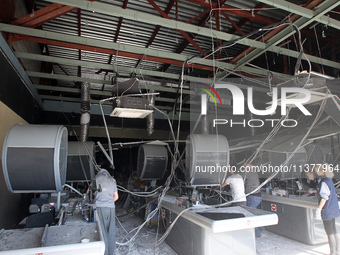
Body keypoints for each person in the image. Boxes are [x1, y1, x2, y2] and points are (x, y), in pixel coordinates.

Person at [312, 164, 340, 255]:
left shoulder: (323, 182)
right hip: (333, 208)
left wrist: (319, 209)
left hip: (327, 210)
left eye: (316, 170)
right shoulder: (329, 180)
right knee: (334, 230)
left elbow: (324, 197)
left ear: (322, 171)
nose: (315, 172)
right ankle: (337, 251)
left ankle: (332, 252)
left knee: (329, 233)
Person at [95, 168, 119, 255]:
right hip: (111, 209)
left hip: (99, 208)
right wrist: (108, 201)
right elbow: (116, 197)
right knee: (111, 231)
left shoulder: (95, 179)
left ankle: (103, 252)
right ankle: (110, 252)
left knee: (102, 231)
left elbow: (88, 193)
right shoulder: (112, 181)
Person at [243, 164, 262, 237]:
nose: (244, 167)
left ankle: (256, 232)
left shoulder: (248, 173)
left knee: (249, 214)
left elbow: (240, 177)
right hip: (257, 196)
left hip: (253, 197)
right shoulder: (254, 172)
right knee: (253, 212)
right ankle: (260, 227)